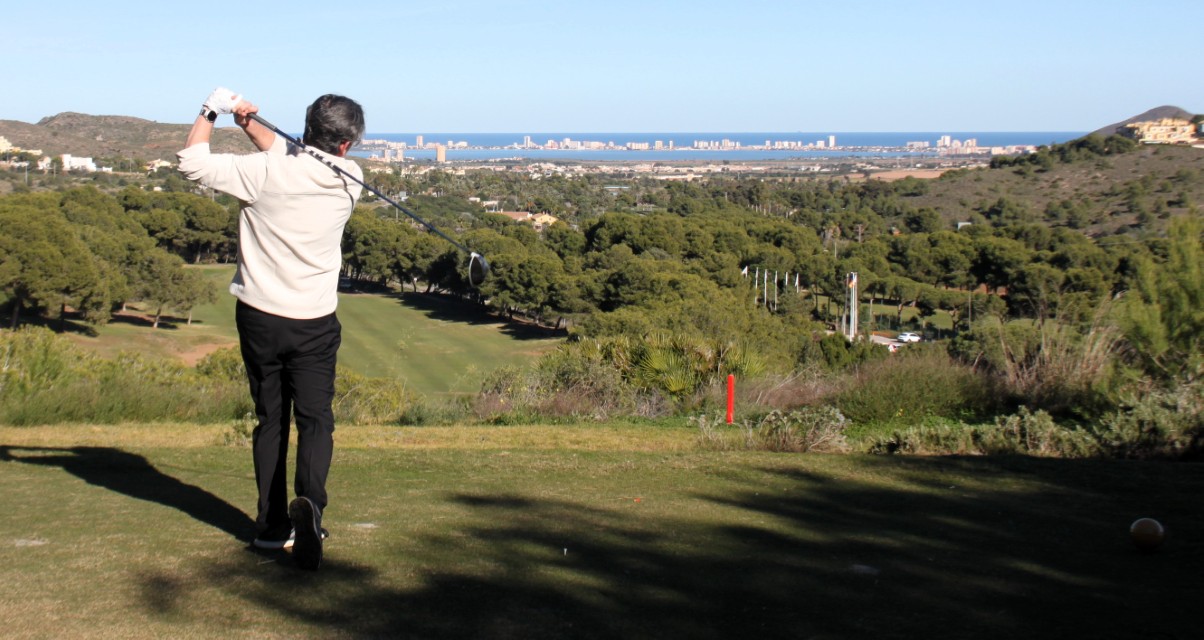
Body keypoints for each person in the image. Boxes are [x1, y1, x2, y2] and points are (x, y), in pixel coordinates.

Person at [178, 88, 365, 570]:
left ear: (307, 128)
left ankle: (271, 527)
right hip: (315, 321)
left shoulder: (261, 173)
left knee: (271, 421)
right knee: (316, 420)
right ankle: (312, 510)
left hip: (260, 317)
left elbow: (191, 162)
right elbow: (292, 155)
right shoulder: (352, 179)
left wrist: (212, 110)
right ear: (346, 144)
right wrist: (249, 125)